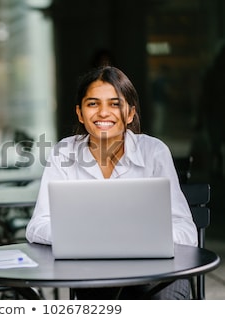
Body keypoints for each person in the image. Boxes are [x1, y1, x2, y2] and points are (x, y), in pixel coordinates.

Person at [25, 66, 198, 300]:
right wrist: (82, 237)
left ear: (130, 113)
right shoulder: (63, 153)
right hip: (93, 273)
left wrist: (144, 239)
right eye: (93, 104)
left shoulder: (154, 152)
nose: (103, 113)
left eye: (115, 104)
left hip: (157, 274)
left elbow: (186, 231)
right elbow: (37, 226)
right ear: (80, 112)